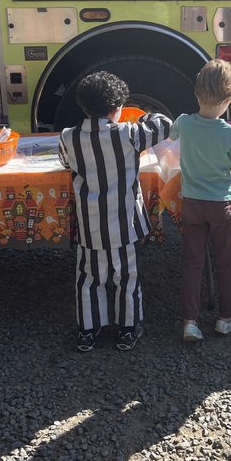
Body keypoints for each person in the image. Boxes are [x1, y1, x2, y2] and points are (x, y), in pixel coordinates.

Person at [59, 71, 172, 352]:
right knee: (127, 278)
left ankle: (88, 330)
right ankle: (127, 329)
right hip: (125, 225)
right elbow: (165, 124)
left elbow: (64, 162)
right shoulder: (129, 134)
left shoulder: (69, 137)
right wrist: (144, 116)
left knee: (88, 279)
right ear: (117, 109)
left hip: (90, 227)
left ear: (83, 106)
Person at [169, 60, 231, 342]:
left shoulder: (183, 122)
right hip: (222, 206)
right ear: (228, 100)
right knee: (226, 262)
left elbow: (171, 136)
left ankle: (190, 322)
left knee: (193, 262)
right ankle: (225, 318)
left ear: (196, 94)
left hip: (191, 203)